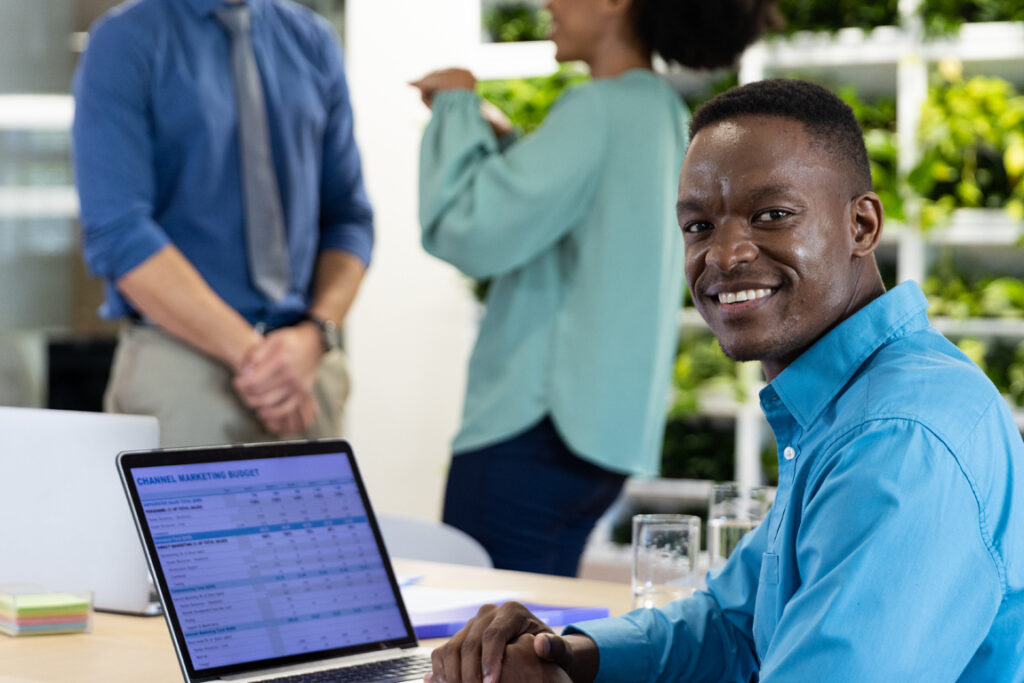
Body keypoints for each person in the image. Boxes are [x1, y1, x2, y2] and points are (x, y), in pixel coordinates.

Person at [424, 78, 1024, 682]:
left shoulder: (899, 440)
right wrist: (566, 658)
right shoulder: (849, 402)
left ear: (862, 226)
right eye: (698, 226)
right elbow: (736, 624)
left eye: (772, 215)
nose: (725, 254)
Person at [410, 0, 781, 577]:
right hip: (600, 438)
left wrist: (456, 105)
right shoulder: (661, 110)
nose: (548, 5)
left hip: (534, 430)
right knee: (527, 636)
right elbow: (571, 223)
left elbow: (468, 229)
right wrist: (507, 143)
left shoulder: (599, 108)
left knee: (481, 647)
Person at [72, 0, 373, 447]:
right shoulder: (126, 40)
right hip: (186, 366)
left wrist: (316, 334)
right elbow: (118, 232)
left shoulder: (313, 41)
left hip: (305, 368)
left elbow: (349, 219)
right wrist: (259, 360)